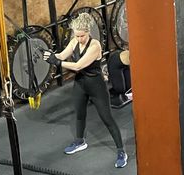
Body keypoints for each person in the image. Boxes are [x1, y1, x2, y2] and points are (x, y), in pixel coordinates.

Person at [44, 13, 127, 167]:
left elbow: (78, 66)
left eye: (82, 36)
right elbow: (61, 55)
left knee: (107, 118)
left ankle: (121, 151)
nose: (79, 38)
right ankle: (80, 141)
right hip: (80, 84)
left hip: (96, 86)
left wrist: (57, 63)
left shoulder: (95, 46)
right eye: (77, 35)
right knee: (79, 114)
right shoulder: (74, 41)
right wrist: (50, 56)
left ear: (88, 32)